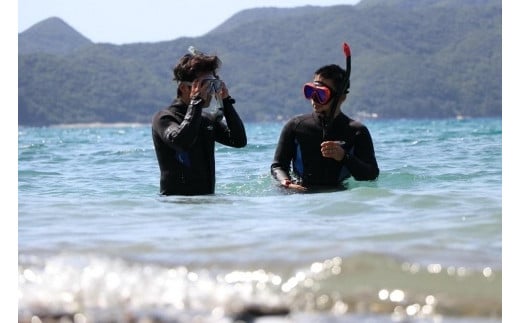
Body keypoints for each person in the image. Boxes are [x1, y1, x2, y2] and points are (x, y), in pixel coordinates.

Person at [152, 48, 247, 195]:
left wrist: (226, 102)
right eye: (204, 85)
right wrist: (196, 102)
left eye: (212, 85)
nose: (208, 92)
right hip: (176, 206)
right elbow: (182, 141)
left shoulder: (205, 120)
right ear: (184, 87)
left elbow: (238, 140)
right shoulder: (164, 118)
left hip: (206, 205)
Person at [270, 63, 379, 192]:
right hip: (300, 197)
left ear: (341, 97)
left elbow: (371, 175)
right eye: (311, 91)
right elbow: (278, 166)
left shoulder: (356, 131)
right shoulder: (295, 126)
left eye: (321, 94)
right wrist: (286, 182)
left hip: (339, 197)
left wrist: (344, 157)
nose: (314, 99)